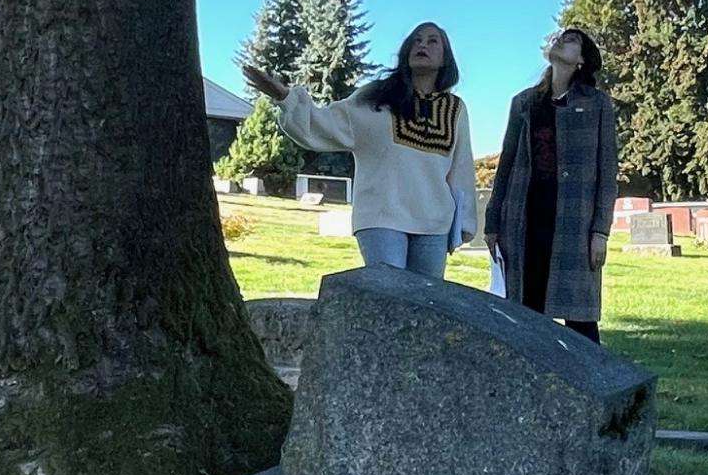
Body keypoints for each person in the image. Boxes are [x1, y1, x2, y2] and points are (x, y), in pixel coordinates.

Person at [242, 22, 477, 279]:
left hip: (434, 224)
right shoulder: (377, 98)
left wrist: (465, 222)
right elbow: (324, 123)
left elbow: (461, 166)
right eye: (417, 40)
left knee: (425, 308)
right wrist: (286, 98)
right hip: (381, 218)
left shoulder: (455, 109)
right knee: (387, 297)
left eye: (433, 41)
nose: (422, 45)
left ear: (446, 59)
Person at [485, 28, 618, 342]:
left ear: (582, 60)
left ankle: (594, 384)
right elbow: (506, 164)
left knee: (580, 318)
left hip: (575, 221)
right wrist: (493, 222)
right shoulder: (524, 103)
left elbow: (606, 170)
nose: (561, 39)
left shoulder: (597, 104)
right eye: (560, 36)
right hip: (524, 219)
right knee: (525, 312)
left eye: (571, 40)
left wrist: (600, 231)